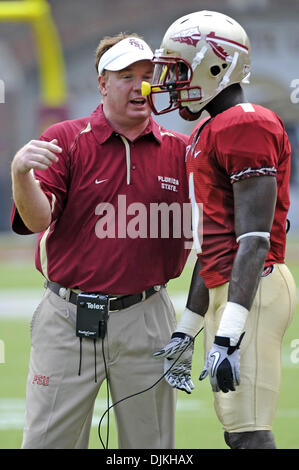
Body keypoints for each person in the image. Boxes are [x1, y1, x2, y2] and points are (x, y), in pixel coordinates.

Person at [10, 32, 192, 449]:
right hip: (68, 316)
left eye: (148, 75)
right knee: (46, 444)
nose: (140, 85)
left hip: (148, 316)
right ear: (102, 84)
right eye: (126, 75)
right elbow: (38, 219)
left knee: (152, 449)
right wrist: (20, 174)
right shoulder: (66, 137)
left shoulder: (181, 150)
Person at [147, 11, 297, 449]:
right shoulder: (208, 129)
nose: (170, 83)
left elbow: (253, 239)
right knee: (236, 432)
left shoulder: (245, 122)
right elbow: (212, 245)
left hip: (254, 289)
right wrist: (185, 329)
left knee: (250, 433)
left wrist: (231, 330)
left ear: (216, 65)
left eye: (178, 70)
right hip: (231, 288)